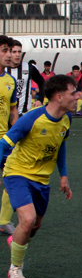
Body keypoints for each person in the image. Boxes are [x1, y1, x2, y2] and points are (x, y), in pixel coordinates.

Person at [2, 75, 78, 278]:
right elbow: (3, 144)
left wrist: (63, 175)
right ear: (59, 97)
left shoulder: (66, 118)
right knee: (27, 220)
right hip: (17, 173)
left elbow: (60, 144)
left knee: (34, 226)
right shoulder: (32, 118)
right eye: (73, 93)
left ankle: (16, 239)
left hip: (42, 179)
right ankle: (15, 269)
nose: (77, 97)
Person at [0, 36, 17, 237]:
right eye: (4, 50)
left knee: (13, 178)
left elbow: (12, 109)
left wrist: (18, 131)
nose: (9, 55)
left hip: (5, 140)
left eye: (10, 51)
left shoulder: (10, 81)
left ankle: (3, 221)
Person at [8, 41, 45, 119]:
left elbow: (42, 83)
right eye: (14, 52)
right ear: (9, 53)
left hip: (24, 114)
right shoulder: (3, 69)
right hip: (5, 114)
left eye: (19, 52)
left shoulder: (29, 67)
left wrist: (40, 99)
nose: (17, 55)